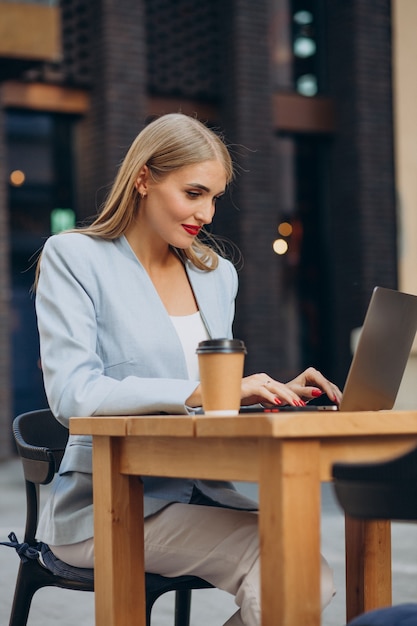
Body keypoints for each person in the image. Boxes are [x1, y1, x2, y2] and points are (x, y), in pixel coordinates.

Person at [35, 112, 342, 625]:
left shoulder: (216, 274)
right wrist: (205, 390)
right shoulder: (75, 257)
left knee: (309, 571)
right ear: (143, 179)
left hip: (201, 494)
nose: (208, 212)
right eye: (194, 193)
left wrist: (264, 392)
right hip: (108, 505)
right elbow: (73, 394)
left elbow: (206, 396)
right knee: (294, 569)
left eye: (216, 197)